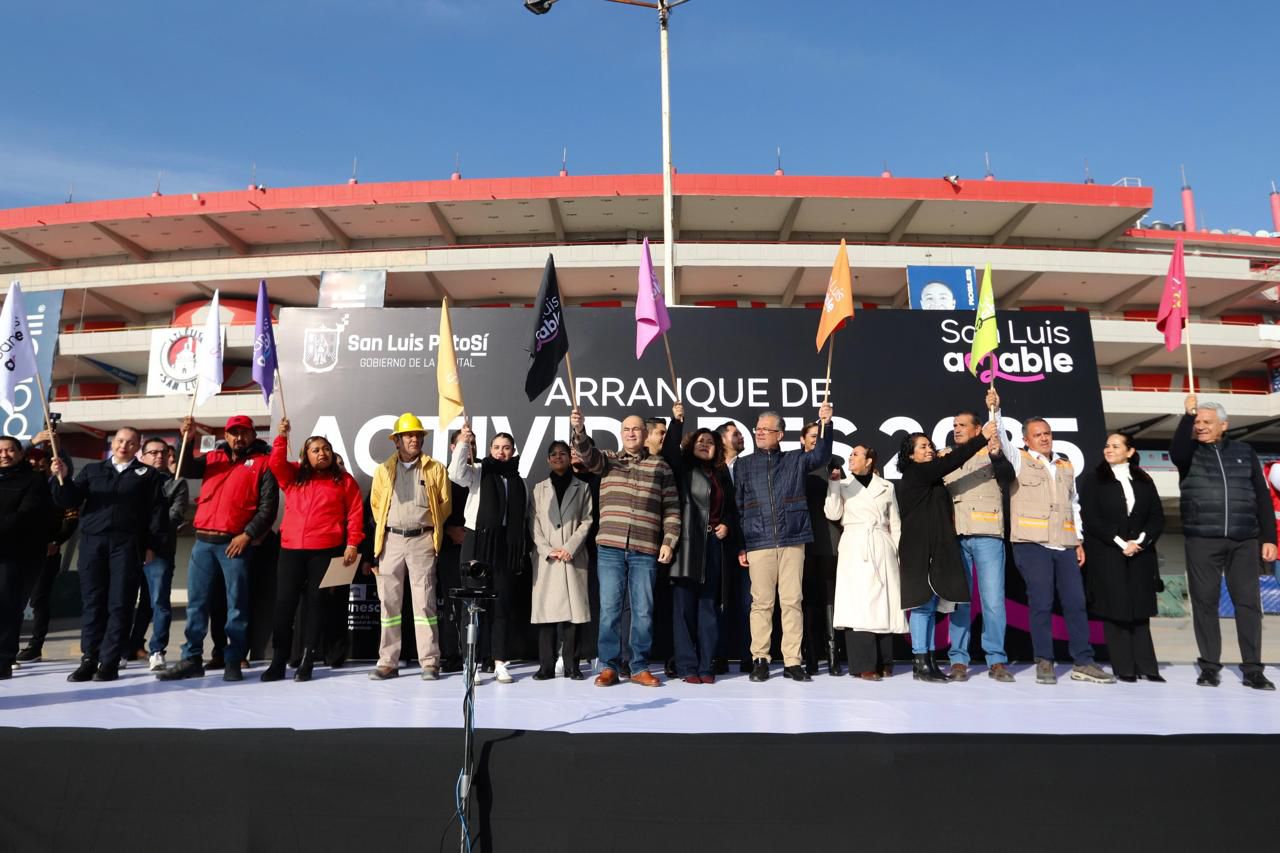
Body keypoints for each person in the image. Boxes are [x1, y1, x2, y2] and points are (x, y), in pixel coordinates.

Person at [992, 390, 1114, 685]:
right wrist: (995, 410)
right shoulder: (1019, 459)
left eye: (1047, 433)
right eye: (1037, 435)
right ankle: (1044, 661)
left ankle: (1083, 662)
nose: (1044, 438)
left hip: (1065, 543)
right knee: (1042, 603)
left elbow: (1074, 504)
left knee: (1075, 603)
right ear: (1026, 439)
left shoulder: (1064, 464)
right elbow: (1001, 441)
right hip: (1032, 544)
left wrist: (1079, 540)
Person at [159, 415, 278, 683]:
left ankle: (233, 658)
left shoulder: (263, 463)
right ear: (227, 434)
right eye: (233, 433)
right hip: (203, 542)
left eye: (244, 432)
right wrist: (186, 440)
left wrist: (247, 535)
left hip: (234, 545)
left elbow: (268, 507)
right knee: (197, 605)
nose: (238, 438)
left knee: (237, 605)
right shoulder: (214, 458)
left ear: (252, 434)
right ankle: (191, 658)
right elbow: (185, 467)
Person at [1171, 395, 1275, 690]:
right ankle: (1209, 667)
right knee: (1205, 603)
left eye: (1206, 422)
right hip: (1202, 540)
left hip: (1244, 540)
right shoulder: (1188, 453)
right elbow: (1177, 448)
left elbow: (1262, 497)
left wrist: (1269, 537)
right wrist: (1187, 415)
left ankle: (1253, 669)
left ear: (1223, 425)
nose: (1200, 426)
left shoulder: (1244, 451)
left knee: (1249, 605)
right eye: (1197, 422)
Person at [571, 407, 680, 687]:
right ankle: (608, 665)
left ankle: (638, 666)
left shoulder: (660, 466)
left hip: (645, 548)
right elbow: (586, 455)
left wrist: (669, 540)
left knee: (643, 610)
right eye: (626, 430)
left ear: (645, 435)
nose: (631, 433)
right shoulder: (607, 461)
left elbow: (671, 508)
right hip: (610, 546)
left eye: (636, 429)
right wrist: (579, 430)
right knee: (609, 609)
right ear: (621, 435)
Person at [51, 427, 169, 682]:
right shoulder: (93, 471)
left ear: (138, 446)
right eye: (120, 440)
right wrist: (61, 478)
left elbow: (157, 514)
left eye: (130, 442)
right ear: (113, 443)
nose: (124, 446)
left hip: (127, 546)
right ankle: (89, 659)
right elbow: (67, 499)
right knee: (93, 603)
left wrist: (151, 546)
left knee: (120, 604)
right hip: (93, 544)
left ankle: (110, 662)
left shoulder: (148, 475)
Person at [735, 402, 834, 683]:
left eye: (767, 429)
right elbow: (739, 505)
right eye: (758, 429)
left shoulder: (795, 459)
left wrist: (826, 424)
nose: (760, 433)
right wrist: (742, 544)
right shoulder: (743, 465)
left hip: (793, 538)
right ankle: (760, 659)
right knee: (761, 603)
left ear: (780, 434)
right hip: (758, 540)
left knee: (792, 601)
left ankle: (792, 661)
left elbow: (822, 455)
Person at [894, 421, 996, 683]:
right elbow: (955, 460)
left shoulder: (930, 476)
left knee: (929, 605)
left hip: (933, 547)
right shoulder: (918, 474)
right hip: (920, 549)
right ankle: (920, 662)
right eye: (923, 447)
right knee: (922, 607)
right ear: (910, 455)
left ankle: (926, 663)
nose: (930, 449)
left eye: (930, 445)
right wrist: (981, 438)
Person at [262, 420, 363, 682]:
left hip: (325, 551)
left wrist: (352, 543)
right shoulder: (294, 475)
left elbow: (354, 513)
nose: (322, 453)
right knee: (284, 606)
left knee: (317, 606)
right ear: (306, 456)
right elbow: (275, 464)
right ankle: (278, 661)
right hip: (291, 550)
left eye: (326, 448)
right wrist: (281, 438)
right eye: (316, 449)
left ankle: (307, 660)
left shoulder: (344, 481)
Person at [368, 412, 452, 681]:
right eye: (408, 435)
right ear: (397, 441)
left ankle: (429, 661)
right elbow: (377, 505)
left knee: (424, 603)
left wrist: (427, 528)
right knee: (389, 603)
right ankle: (388, 662)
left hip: (422, 540)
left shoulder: (435, 468)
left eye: (417, 435)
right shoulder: (383, 469)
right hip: (391, 541)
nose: (413, 439)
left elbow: (444, 504)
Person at [1079, 433, 1165, 683]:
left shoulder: (1144, 479)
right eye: (1107, 445)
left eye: (1116, 446)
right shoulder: (1094, 480)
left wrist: (1140, 542)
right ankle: (1125, 667)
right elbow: (1091, 518)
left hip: (1139, 553)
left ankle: (1148, 666)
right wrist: (1119, 542)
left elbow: (1156, 516)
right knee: (1115, 609)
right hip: (1108, 553)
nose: (1109, 449)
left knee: (1140, 610)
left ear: (1129, 451)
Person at [449, 427, 529, 684]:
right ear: (489, 450)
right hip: (477, 542)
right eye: (496, 447)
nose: (501, 452)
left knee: (501, 606)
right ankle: (470, 664)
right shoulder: (479, 471)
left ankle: (499, 662)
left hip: (505, 547)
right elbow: (456, 473)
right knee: (472, 606)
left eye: (506, 448)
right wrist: (463, 442)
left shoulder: (519, 481)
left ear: (513, 451)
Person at [942, 409, 1017, 682]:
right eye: (954, 424)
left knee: (993, 601)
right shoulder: (946, 458)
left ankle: (996, 660)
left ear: (978, 430)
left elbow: (1008, 477)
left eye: (962, 425)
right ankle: (958, 660)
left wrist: (996, 453)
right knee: (959, 601)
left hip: (987, 534)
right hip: (957, 537)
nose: (956, 429)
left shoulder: (993, 452)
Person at [825, 445, 903, 680]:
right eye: (850, 455)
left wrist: (897, 553)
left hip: (881, 543)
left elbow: (895, 523)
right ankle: (863, 664)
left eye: (856, 454)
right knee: (859, 604)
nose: (850, 457)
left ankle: (885, 661)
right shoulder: (844, 486)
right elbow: (832, 513)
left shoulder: (887, 487)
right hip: (855, 546)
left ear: (869, 460)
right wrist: (834, 484)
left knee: (884, 602)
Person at [669, 428, 741, 684]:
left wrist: (727, 526)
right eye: (700, 441)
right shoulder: (682, 467)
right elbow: (669, 450)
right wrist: (677, 421)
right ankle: (687, 666)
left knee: (709, 607)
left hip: (713, 545)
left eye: (710, 442)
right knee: (684, 609)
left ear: (717, 448)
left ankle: (706, 665)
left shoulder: (721, 474)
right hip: (687, 546)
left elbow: (733, 508)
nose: (705, 445)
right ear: (690, 445)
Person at [529, 439, 594, 680]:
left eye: (563, 453)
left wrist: (569, 547)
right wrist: (547, 549)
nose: (558, 457)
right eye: (554, 454)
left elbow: (587, 520)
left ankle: (572, 665)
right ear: (548, 459)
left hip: (572, 557)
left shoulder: (583, 487)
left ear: (569, 457)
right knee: (547, 615)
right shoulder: (538, 489)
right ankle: (545, 666)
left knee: (573, 616)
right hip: (548, 559)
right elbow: (533, 522)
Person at [126, 438, 189, 672]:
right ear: (142, 456)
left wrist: (150, 542)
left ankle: (157, 650)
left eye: (163, 452)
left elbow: (173, 517)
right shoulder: (131, 480)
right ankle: (127, 647)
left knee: (158, 602)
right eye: (152, 452)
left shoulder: (175, 484)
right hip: (130, 550)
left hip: (160, 551)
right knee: (125, 602)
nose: (158, 456)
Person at [16, 443, 79, 663]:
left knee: (39, 601)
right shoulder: (19, 485)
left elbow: (71, 519)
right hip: (18, 551)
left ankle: (35, 646)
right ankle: (9, 645)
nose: (36, 466)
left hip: (46, 553)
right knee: (12, 599)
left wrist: (56, 541)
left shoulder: (58, 486)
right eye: (32, 462)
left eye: (42, 463)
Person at [0, 436, 54, 679]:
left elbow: (25, 515)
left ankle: (3, 659)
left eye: (11, 450)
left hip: (16, 554)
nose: (4, 454)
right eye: (0, 450)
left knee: (7, 607)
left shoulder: (34, 480)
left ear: (21, 453)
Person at [800, 421, 845, 676]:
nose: (816, 440)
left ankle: (832, 655)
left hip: (830, 539)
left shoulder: (834, 462)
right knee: (806, 600)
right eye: (812, 437)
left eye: (820, 436)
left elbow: (841, 500)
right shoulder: (797, 464)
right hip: (803, 540)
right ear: (803, 441)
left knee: (829, 598)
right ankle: (811, 656)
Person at [716, 420, 751, 673]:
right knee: (718, 602)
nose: (741, 437)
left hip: (748, 545)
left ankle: (750, 656)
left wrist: (744, 544)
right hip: (717, 546)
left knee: (749, 603)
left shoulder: (748, 466)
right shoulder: (712, 469)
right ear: (722, 441)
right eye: (735, 434)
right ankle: (718, 655)